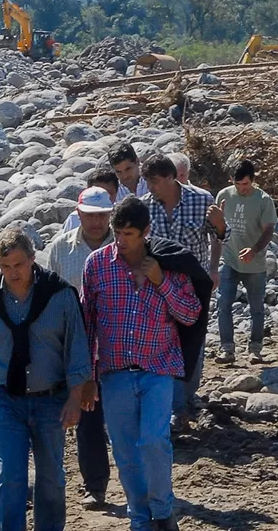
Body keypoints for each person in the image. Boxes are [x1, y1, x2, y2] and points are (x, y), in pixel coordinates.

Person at [81, 197, 203, 531]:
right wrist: (87, 377)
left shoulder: (170, 265)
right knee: (125, 452)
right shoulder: (97, 265)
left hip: (158, 369)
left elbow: (190, 314)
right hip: (114, 373)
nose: (120, 241)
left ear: (146, 232)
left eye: (129, 234)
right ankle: (140, 518)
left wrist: (161, 281)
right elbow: (87, 323)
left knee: (153, 441)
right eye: (117, 233)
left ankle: (162, 512)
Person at [0, 228, 92, 531]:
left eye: (18, 265)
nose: (12, 273)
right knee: (9, 476)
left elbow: (76, 349)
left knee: (51, 477)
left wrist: (76, 399)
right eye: (5, 266)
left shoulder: (60, 295)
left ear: (33, 260)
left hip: (51, 400)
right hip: (4, 399)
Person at [141, 154, 227, 431]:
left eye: (154, 181)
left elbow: (220, 236)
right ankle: (172, 407)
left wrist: (214, 266)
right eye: (147, 182)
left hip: (193, 285)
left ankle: (186, 398)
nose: (150, 187)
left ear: (170, 177)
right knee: (163, 343)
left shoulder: (201, 200)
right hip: (157, 287)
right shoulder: (144, 208)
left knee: (193, 343)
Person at [45, 187, 115, 510]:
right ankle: (95, 485)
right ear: (79, 213)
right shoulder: (61, 248)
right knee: (87, 415)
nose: (97, 221)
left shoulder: (125, 244)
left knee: (124, 415)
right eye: (91, 215)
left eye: (103, 214)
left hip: (118, 342)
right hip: (76, 344)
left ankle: (137, 482)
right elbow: (49, 300)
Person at [214, 160, 278, 365]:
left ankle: (255, 348)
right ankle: (227, 348)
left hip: (255, 263)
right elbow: (216, 226)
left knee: (256, 307)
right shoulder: (224, 195)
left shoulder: (263, 200)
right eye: (237, 184)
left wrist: (255, 250)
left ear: (253, 181)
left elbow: (269, 230)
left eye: (245, 184)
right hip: (230, 258)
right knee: (223, 303)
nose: (241, 189)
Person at [61, 167, 119, 233]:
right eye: (97, 193)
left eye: (109, 193)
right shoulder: (74, 218)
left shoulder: (123, 218)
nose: (103, 197)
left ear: (116, 193)